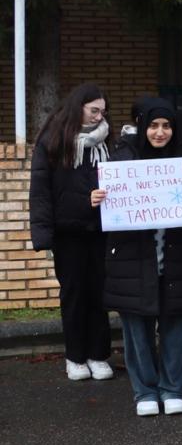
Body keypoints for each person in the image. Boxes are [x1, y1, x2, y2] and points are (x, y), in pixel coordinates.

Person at [91, 99, 182, 416]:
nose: (160, 132)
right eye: (154, 125)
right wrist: (96, 199)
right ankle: (144, 391)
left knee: (174, 327)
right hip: (132, 263)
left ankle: (173, 388)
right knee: (136, 330)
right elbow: (100, 214)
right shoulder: (123, 158)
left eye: (167, 126)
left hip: (177, 261)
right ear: (143, 126)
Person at [29, 83, 115, 382]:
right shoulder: (53, 139)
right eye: (94, 110)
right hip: (68, 233)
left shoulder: (107, 140)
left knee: (99, 293)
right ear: (78, 107)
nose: (98, 117)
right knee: (74, 294)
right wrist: (43, 234)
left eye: (102, 111)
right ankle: (75, 357)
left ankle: (98, 354)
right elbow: (41, 190)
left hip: (101, 230)